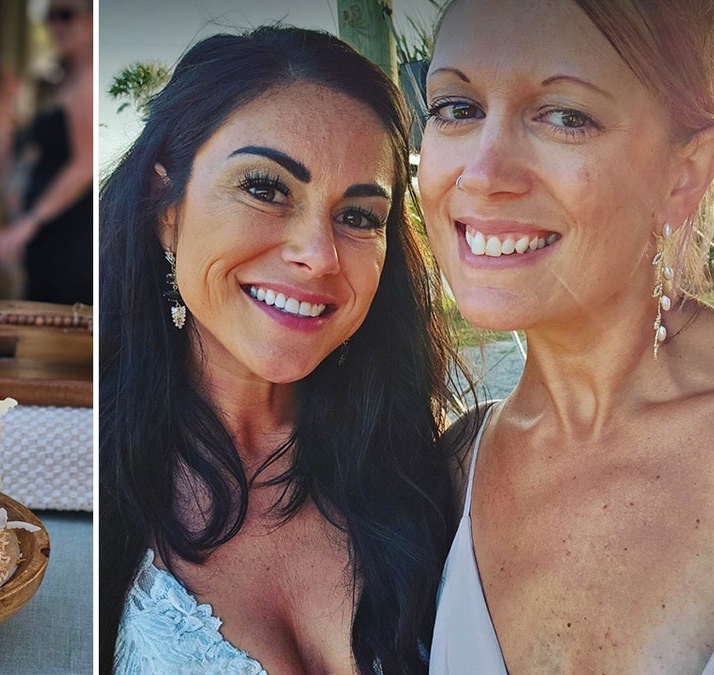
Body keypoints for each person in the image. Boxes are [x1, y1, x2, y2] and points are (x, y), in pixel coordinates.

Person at [100, 25, 467, 674]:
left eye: (358, 216)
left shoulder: (431, 471)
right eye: (266, 188)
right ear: (167, 208)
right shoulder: (89, 467)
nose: (318, 256)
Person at [418, 0, 714, 673]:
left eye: (566, 116)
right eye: (457, 107)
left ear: (684, 174)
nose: (483, 173)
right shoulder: (450, 472)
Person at [0, 0, 93, 306]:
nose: (56, 26)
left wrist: (28, 223)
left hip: (68, 234)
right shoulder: (65, 80)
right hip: (50, 233)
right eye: (50, 17)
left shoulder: (86, 84)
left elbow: (84, 164)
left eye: (67, 15)